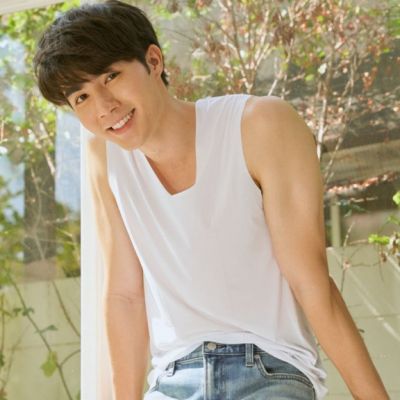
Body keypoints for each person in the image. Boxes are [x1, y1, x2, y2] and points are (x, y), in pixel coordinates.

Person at [33, 1, 389, 399]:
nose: (103, 107)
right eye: (81, 97)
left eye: (110, 76)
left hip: (269, 370)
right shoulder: (106, 157)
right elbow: (124, 296)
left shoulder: (259, 125)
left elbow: (310, 281)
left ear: (153, 61)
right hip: (172, 381)